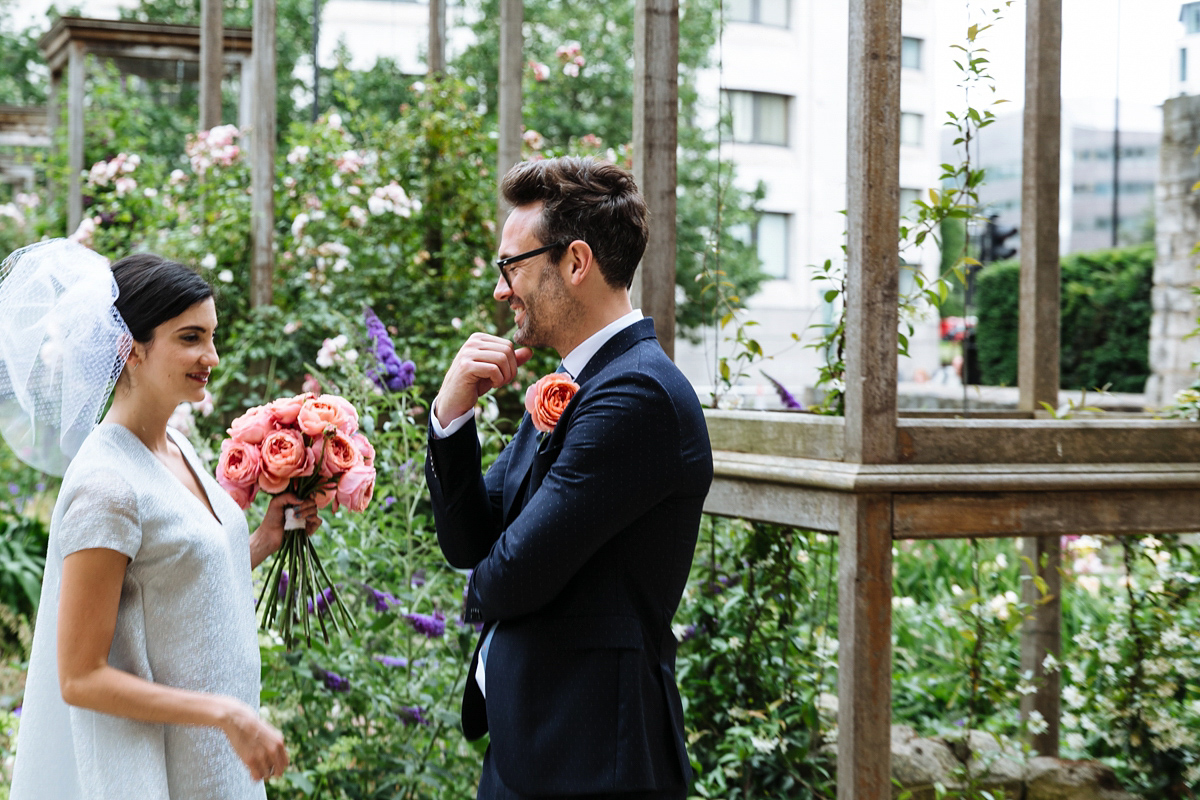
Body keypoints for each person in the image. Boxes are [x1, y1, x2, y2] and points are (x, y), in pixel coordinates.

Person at [425, 156, 713, 799]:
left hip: (590, 760)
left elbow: (509, 575)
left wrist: (493, 571)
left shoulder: (634, 396)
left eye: (512, 266)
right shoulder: (578, 384)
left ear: (575, 263)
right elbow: (469, 542)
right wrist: (451, 414)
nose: (502, 289)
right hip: (531, 746)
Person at [4, 243, 318, 799]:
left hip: (220, 762)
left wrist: (265, 537)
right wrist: (226, 713)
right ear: (131, 350)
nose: (211, 357)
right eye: (190, 338)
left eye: (211, 335)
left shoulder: (174, 447)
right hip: (168, 770)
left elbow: (174, 583)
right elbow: (80, 676)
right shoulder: (106, 486)